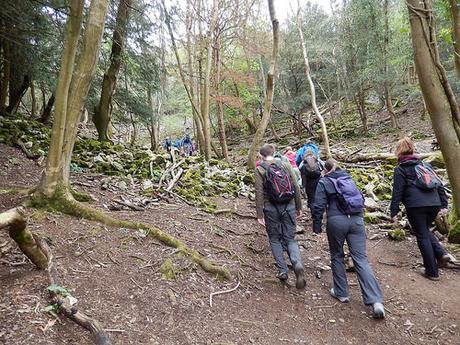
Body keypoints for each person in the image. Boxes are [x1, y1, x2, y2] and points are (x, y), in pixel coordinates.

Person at [312, 158, 385, 319]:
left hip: (336, 221)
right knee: (361, 258)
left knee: (337, 255)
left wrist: (316, 227)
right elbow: (361, 199)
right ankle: (376, 301)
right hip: (357, 220)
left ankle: (341, 292)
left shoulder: (324, 182)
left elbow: (318, 206)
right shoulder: (348, 178)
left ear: (325, 169)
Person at [390, 137, 456, 281]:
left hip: (415, 206)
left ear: (399, 151)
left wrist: (393, 212)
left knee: (421, 235)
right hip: (434, 204)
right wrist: (443, 204)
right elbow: (438, 185)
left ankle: (431, 271)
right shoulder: (425, 165)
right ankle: (441, 254)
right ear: (413, 149)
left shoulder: (401, 169)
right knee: (424, 230)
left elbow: (397, 192)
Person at [255, 144, 306, 289]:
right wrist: (299, 206)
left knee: (274, 238)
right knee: (290, 238)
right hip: (288, 205)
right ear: (274, 153)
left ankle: (283, 270)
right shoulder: (285, 164)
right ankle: (297, 263)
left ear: (261, 155)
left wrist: (259, 214)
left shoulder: (259, 169)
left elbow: (259, 192)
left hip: (270, 208)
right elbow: (295, 185)